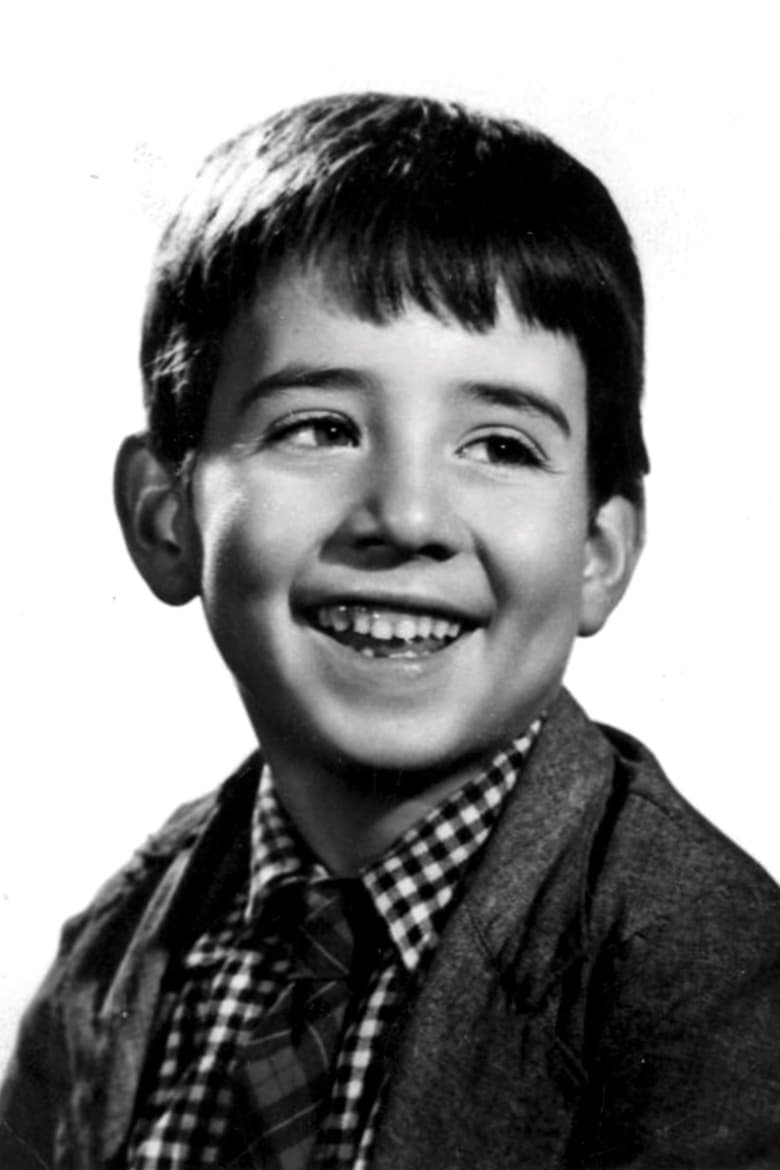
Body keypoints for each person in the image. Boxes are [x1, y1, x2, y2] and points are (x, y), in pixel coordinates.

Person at [1, 92, 779, 1170]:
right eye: (319, 428)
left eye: (500, 446)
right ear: (166, 516)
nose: (408, 518)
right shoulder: (118, 951)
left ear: (598, 553)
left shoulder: (716, 989)